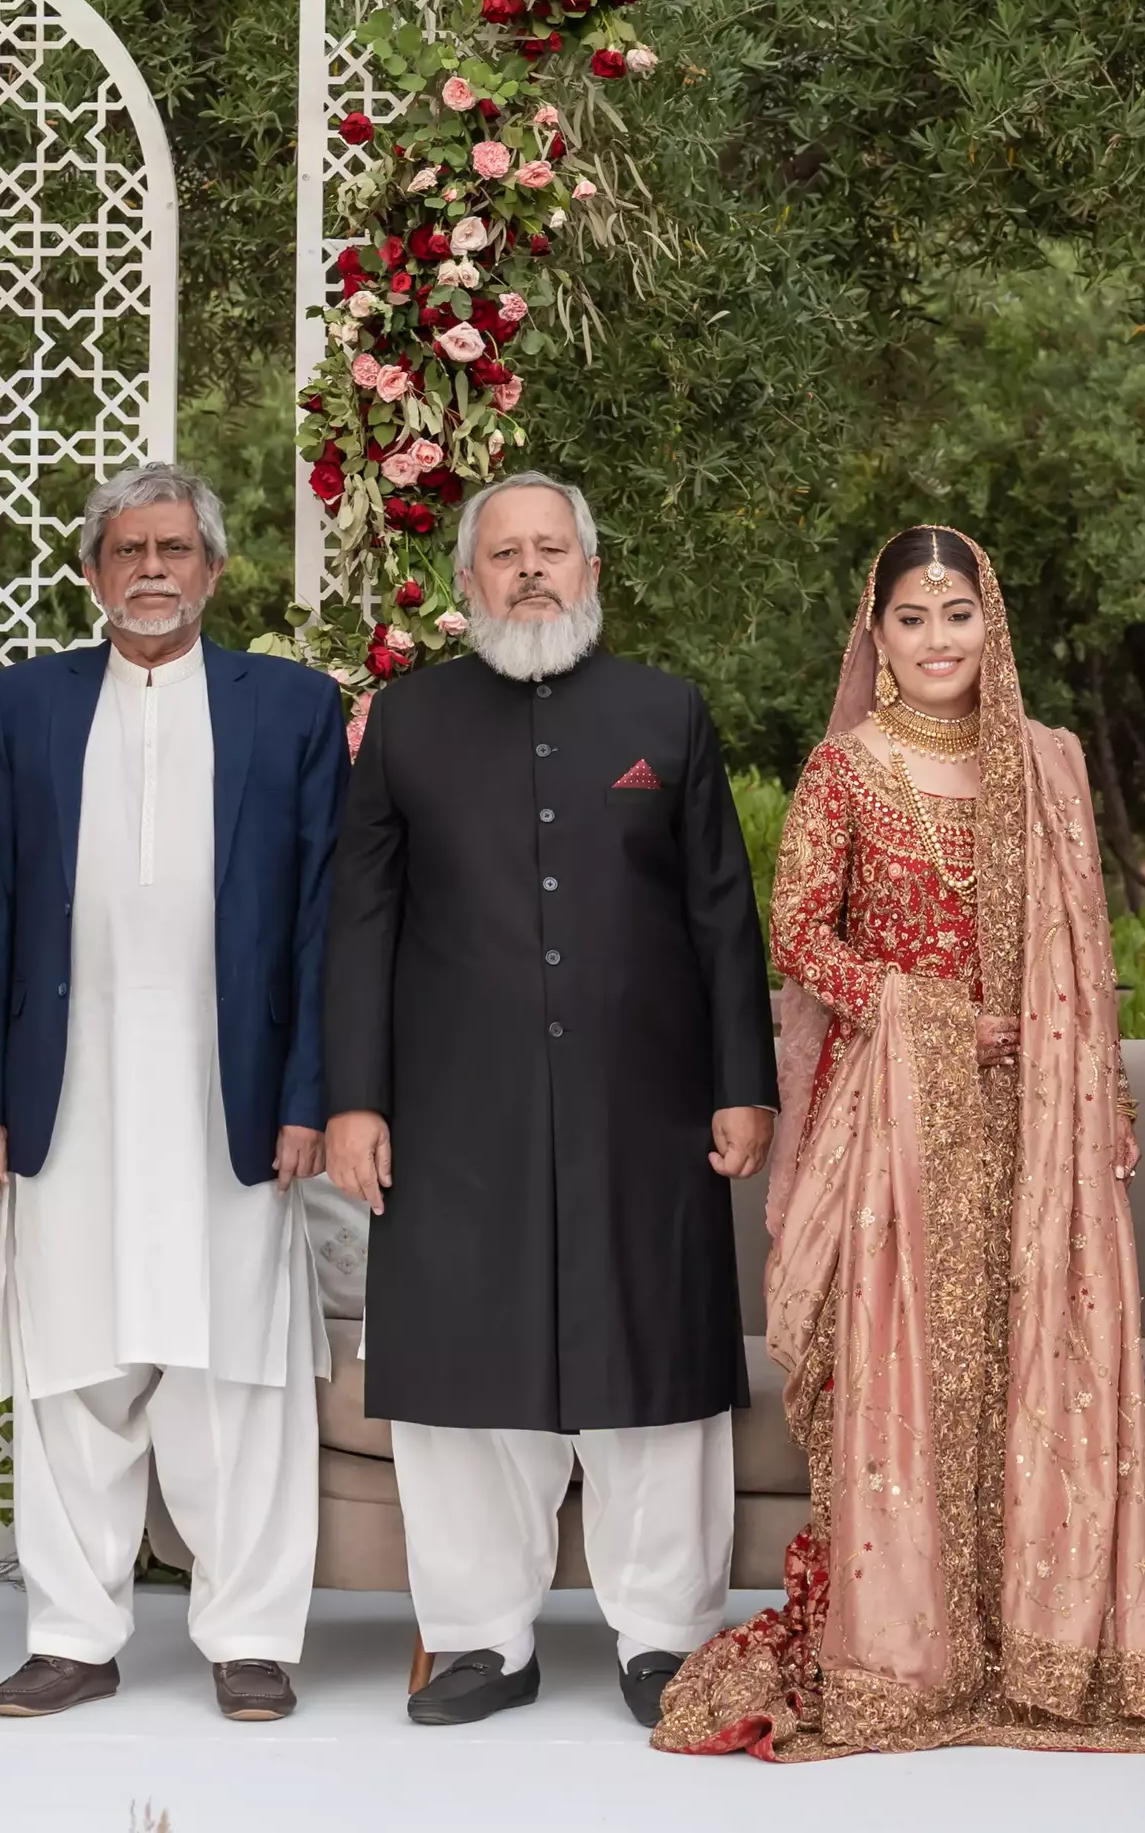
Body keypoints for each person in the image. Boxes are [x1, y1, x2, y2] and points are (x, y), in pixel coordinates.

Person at [656, 526, 1145, 1759]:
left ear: (991, 620)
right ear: (877, 634)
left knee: (1030, 1374)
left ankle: (1042, 1646)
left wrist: (1107, 1108)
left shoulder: (1051, 766)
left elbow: (1084, 970)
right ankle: (905, 1655)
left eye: (956, 613)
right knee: (903, 1380)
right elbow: (800, 935)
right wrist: (928, 1014)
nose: (935, 641)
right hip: (896, 1131)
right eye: (909, 619)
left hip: (1039, 1130)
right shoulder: (845, 769)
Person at [324, 472, 774, 1729]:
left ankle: (667, 1641)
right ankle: (479, 1642)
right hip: (455, 1109)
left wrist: (746, 1086)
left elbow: (723, 919)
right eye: (504, 553)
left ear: (590, 568)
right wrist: (354, 1098)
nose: (530, 570)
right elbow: (358, 923)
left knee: (657, 1371)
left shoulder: (666, 714)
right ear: (468, 581)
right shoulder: (404, 723)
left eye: (552, 549)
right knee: (468, 1370)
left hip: (652, 1107)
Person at [0, 466, 348, 1725]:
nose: (151, 569)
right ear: (92, 570)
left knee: (233, 1365)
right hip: (62, 1082)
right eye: (126, 548)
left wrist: (310, 1092)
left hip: (226, 1089)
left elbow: (319, 921)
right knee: (72, 1362)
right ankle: (74, 1631)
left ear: (214, 568)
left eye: (174, 548)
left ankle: (248, 1634)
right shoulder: (21, 703)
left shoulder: (291, 705)